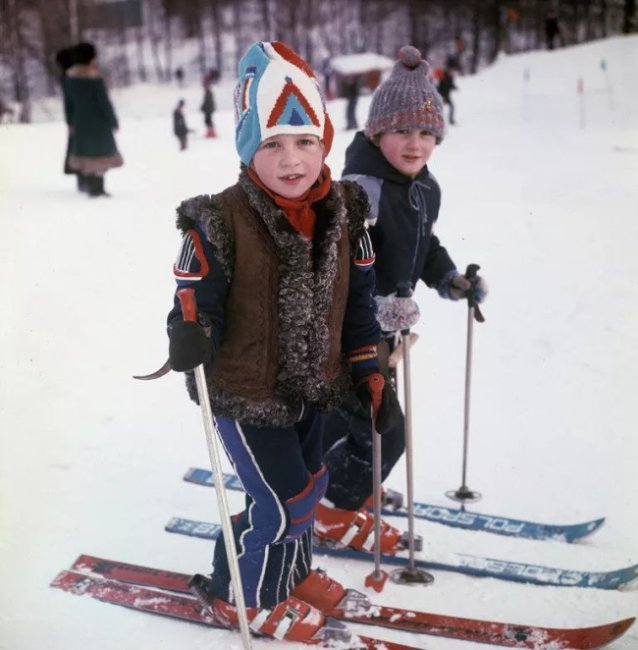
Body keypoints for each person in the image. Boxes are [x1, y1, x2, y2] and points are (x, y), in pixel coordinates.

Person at [166, 40, 400, 643]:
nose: (291, 160)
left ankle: (288, 576)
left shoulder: (346, 216)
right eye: (272, 144)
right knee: (284, 503)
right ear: (249, 149)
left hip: (313, 388)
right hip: (246, 392)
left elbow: (358, 309)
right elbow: (195, 302)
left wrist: (371, 372)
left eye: (304, 141)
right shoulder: (218, 221)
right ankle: (242, 597)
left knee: (307, 489)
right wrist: (190, 333)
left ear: (325, 142)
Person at [315, 45, 488, 553]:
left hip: (385, 330)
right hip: (348, 330)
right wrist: (373, 308)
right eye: (403, 131)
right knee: (384, 429)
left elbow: (422, 244)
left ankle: (336, 484)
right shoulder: (361, 191)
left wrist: (448, 278)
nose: (416, 144)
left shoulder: (424, 188)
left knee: (347, 420)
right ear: (377, 133)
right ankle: (331, 512)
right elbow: (336, 264)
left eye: (426, 133)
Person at [64, 42, 123, 197]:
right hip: (99, 124)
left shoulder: (70, 78)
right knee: (100, 156)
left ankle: (90, 187)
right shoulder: (95, 78)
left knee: (86, 156)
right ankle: (98, 189)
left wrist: (70, 122)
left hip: (80, 123)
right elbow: (104, 103)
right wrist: (113, 121)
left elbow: (68, 104)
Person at [55, 45, 87, 193]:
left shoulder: (66, 77)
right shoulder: (71, 78)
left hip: (75, 119)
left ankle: (83, 180)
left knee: (77, 149)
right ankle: (83, 180)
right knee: (80, 150)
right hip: (78, 119)